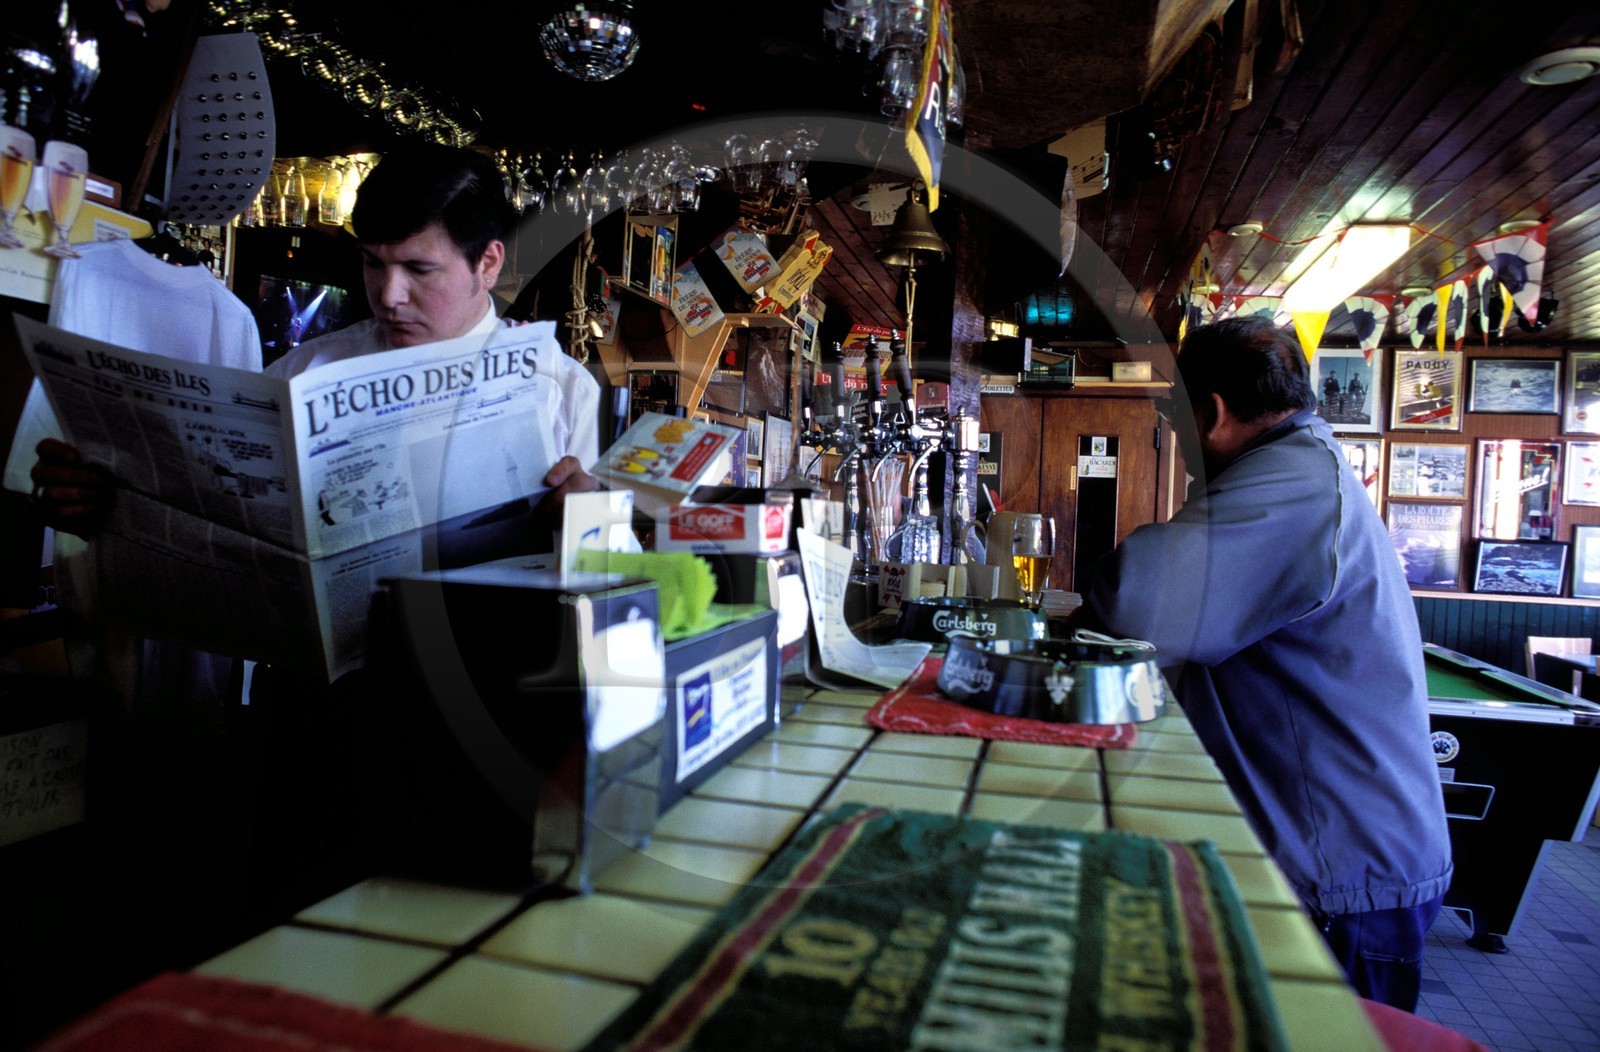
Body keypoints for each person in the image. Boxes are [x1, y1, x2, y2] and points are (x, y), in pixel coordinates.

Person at [1074, 317, 1453, 1012]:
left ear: (1212, 413)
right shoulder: (1303, 464)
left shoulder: (1296, 480)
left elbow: (1135, 601)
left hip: (1340, 875)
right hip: (1339, 858)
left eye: (1175, 420)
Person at [32, 141, 600, 537]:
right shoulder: (303, 374)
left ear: (488, 263)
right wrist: (104, 502)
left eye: (418, 269)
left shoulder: (563, 390)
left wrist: (591, 523)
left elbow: (603, 578)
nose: (389, 295)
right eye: (373, 263)